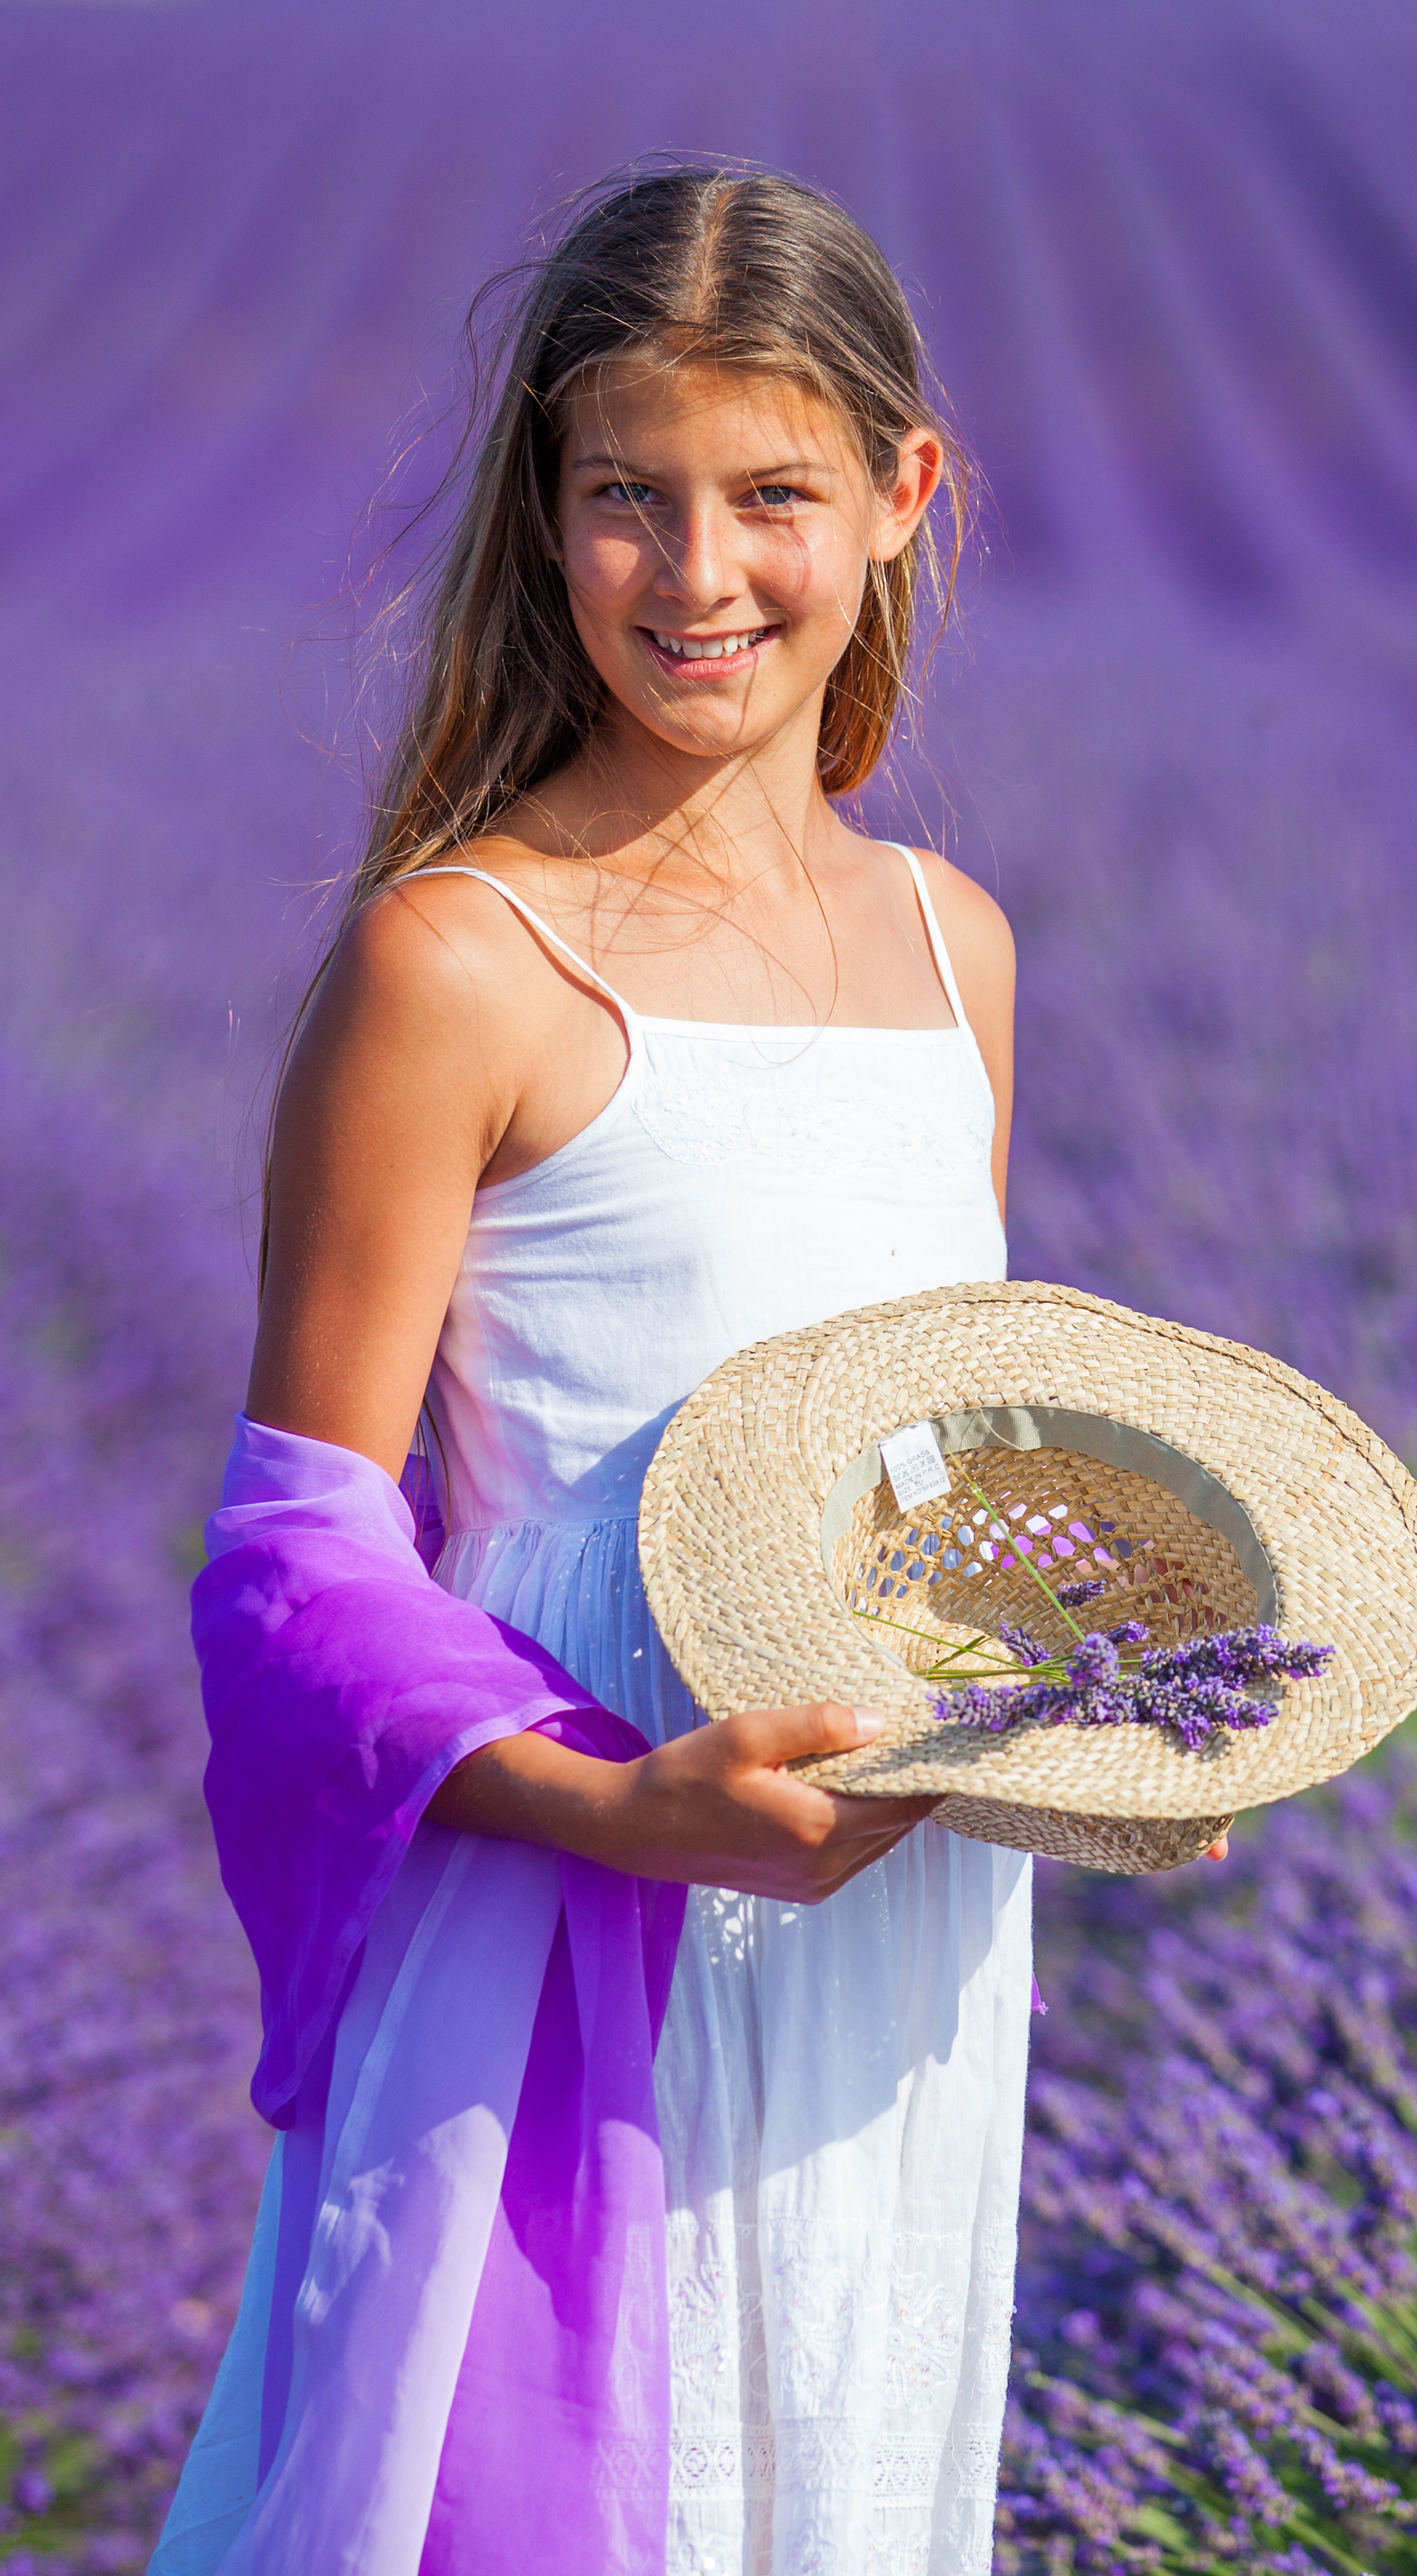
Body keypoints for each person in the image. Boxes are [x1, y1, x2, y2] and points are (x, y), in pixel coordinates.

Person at [153, 165, 1202, 2576]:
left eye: (771, 499)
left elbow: (948, 1467)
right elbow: (290, 1562)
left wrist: (1118, 1720)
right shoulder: (465, 960)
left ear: (905, 497)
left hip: (894, 1921)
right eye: (625, 497)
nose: (695, 573)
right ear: (547, 510)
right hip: (575, 1915)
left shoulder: (956, 949)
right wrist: (623, 1810)